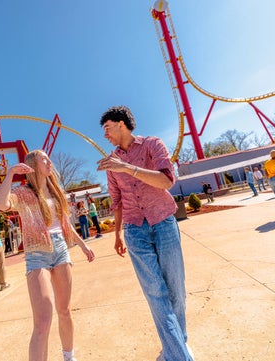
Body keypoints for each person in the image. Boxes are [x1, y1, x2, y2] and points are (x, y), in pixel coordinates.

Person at [97, 105, 193, 361]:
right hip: (134, 230)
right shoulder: (111, 163)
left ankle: (177, 346)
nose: (104, 135)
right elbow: (116, 201)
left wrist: (127, 168)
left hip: (163, 222)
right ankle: (180, 355)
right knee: (155, 292)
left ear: (121, 124)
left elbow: (166, 181)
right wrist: (116, 234)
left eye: (107, 128)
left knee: (176, 291)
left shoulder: (152, 144)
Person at [0, 149, 95, 361]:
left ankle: (69, 356)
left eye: (49, 158)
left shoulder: (55, 191)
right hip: (37, 253)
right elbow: (1, 204)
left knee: (65, 311)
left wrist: (83, 245)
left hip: (61, 250)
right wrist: (10, 173)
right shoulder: (24, 193)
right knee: (42, 321)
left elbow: (65, 223)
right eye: (44, 158)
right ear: (33, 164)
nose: (49, 161)